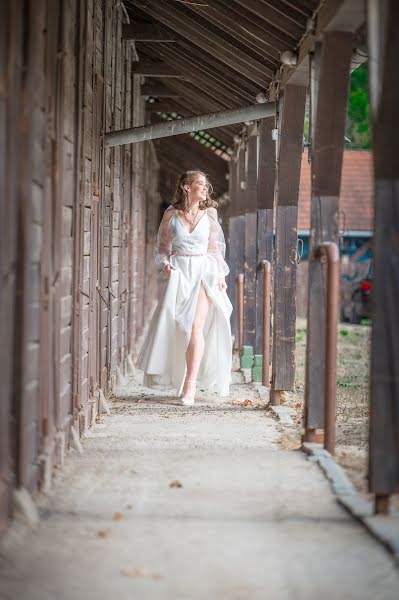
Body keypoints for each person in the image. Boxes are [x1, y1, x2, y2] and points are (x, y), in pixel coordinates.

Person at [137, 170, 233, 405]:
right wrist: (166, 265)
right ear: (186, 187)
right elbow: (161, 250)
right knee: (181, 326)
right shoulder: (171, 214)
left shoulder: (210, 214)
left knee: (194, 326)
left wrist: (220, 275)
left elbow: (215, 250)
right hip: (180, 273)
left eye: (206, 184)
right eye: (200, 183)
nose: (205, 187)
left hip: (204, 272)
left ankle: (190, 387)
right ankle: (181, 376)